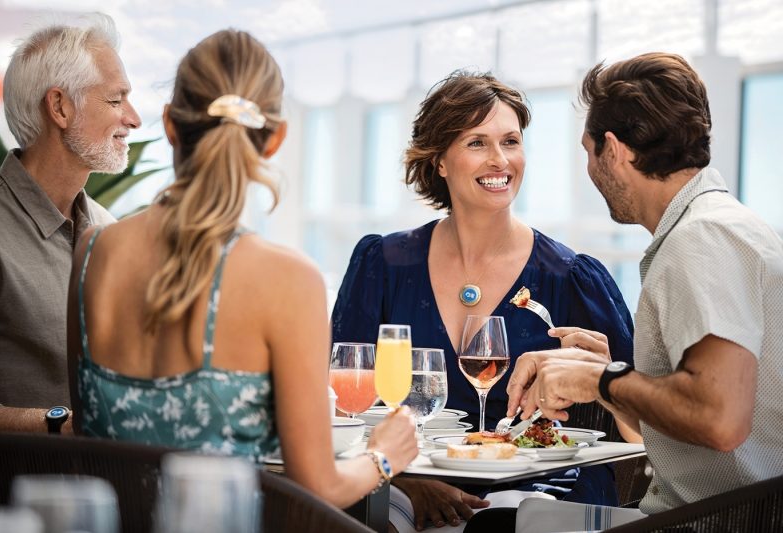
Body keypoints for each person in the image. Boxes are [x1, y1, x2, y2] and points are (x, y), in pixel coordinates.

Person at [67, 29, 417, 508]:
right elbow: (318, 487)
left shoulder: (91, 252)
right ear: (275, 139)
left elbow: (89, 437)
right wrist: (383, 455)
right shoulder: (287, 279)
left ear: (169, 124)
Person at [486, 52, 783, 532]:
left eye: (587, 151)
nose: (589, 168)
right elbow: (687, 429)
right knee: (512, 517)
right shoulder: (720, 226)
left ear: (614, 149)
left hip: (697, 523)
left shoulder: (701, 240)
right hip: (715, 513)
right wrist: (603, 379)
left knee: (494, 526)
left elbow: (721, 420)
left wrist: (602, 380)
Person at [331, 71, 639, 531]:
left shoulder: (573, 278)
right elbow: (339, 404)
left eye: (511, 141)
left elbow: (644, 424)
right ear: (438, 160)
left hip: (542, 492)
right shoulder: (383, 265)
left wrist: (609, 378)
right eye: (477, 142)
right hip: (405, 486)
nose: (500, 161)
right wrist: (407, 479)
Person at [0, 13, 139, 434]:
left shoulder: (108, 230)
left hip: (115, 490)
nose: (134, 118)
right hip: (12, 496)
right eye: (115, 100)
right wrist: (63, 426)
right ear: (60, 107)